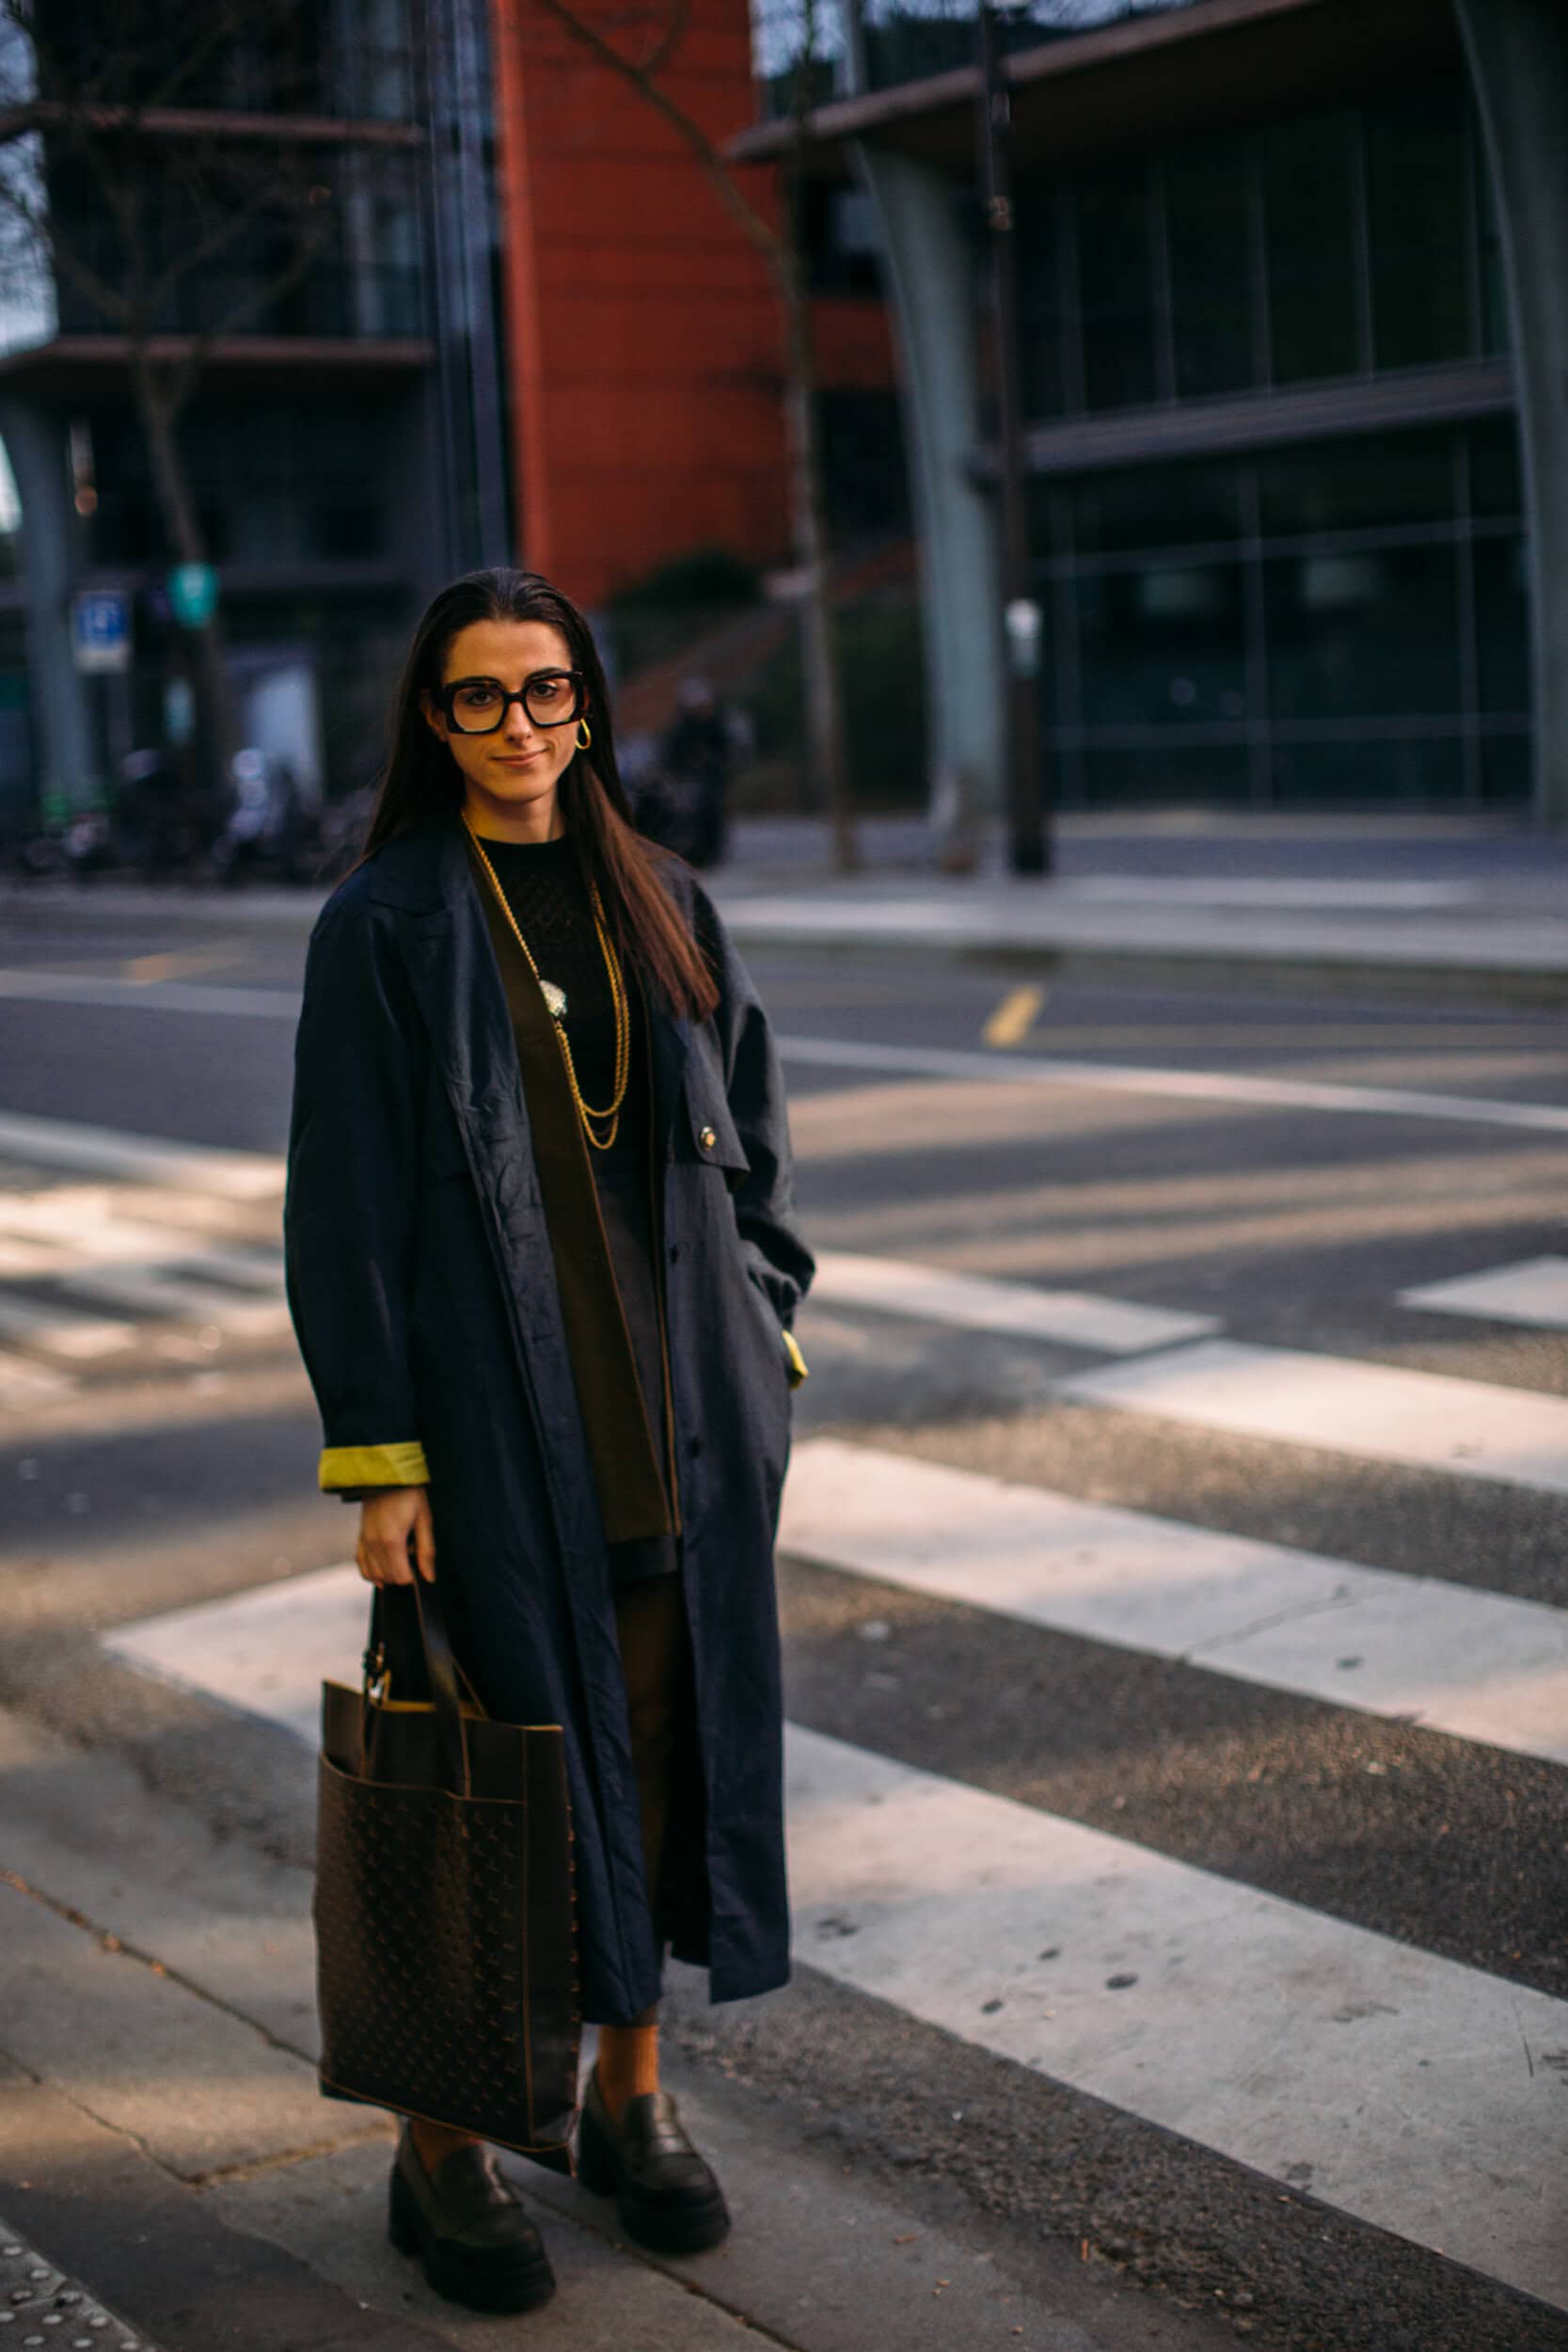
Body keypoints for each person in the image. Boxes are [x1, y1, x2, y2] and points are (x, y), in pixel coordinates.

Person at [284, 567, 813, 2316]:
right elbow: (343, 1210)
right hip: (496, 1441)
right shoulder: (385, 925)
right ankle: (439, 2148)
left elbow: (757, 1151)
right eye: (481, 697)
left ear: (588, 701)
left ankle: (626, 2100)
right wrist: (381, 1462)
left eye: (548, 689)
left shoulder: (665, 894)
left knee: (654, 1772)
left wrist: (765, 1336)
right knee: (488, 1794)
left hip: (679, 1433)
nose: (520, 725)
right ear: (433, 721)